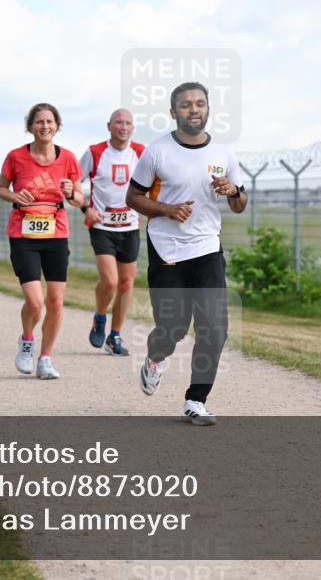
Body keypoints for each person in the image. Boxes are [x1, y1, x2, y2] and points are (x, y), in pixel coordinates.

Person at [126, 82, 248, 426]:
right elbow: (133, 198)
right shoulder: (156, 152)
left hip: (208, 247)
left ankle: (196, 400)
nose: (193, 109)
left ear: (208, 109)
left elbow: (240, 205)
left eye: (199, 104)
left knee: (215, 328)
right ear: (173, 112)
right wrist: (166, 209)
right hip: (167, 250)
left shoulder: (224, 154)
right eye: (185, 105)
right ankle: (155, 356)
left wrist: (233, 190)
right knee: (173, 327)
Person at [0, 103, 83, 380]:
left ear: (57, 126)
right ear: (30, 126)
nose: (45, 126)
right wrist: (14, 196)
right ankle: (27, 341)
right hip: (23, 235)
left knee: (55, 301)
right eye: (39, 122)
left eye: (49, 122)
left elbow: (79, 199)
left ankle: (45, 358)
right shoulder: (16, 157)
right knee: (35, 302)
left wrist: (71, 193)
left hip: (56, 234)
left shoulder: (67, 158)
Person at [78, 108, 145, 356]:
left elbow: (156, 182)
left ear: (133, 127)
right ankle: (99, 317)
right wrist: (86, 208)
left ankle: (115, 335)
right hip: (102, 226)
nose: (123, 127)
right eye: (118, 122)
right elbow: (72, 183)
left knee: (126, 284)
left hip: (129, 226)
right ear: (109, 126)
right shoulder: (95, 152)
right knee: (110, 280)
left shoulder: (140, 152)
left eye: (128, 122)